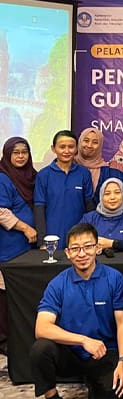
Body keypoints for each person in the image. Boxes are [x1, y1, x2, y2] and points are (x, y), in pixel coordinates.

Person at [29, 223, 123, 399]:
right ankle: (51, 396)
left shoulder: (114, 278)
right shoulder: (58, 283)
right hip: (71, 354)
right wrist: (83, 340)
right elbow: (42, 328)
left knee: (119, 392)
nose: (82, 254)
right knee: (41, 349)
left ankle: (97, 385)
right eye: (75, 249)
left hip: (105, 352)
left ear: (98, 248)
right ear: (68, 253)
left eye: (88, 247)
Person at [0, 136, 37, 355]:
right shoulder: (3, 177)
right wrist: (25, 228)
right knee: (5, 295)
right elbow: (1, 211)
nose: (21, 156)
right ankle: (4, 341)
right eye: (16, 153)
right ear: (7, 155)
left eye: (24, 152)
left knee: (22, 294)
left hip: (28, 249)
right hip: (8, 248)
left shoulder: (32, 177)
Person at [34, 130, 94, 249]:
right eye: (62, 147)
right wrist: (42, 241)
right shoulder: (43, 175)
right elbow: (39, 208)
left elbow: (90, 207)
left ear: (76, 149)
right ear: (53, 149)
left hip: (79, 235)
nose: (66, 151)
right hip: (52, 236)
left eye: (71, 147)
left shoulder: (84, 173)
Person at [80, 177, 123, 251]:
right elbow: (78, 242)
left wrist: (112, 244)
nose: (112, 197)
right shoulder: (89, 218)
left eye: (117, 192)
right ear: (101, 196)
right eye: (107, 194)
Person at [75, 127, 123, 206]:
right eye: (86, 141)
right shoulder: (69, 167)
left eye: (95, 142)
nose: (89, 145)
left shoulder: (108, 173)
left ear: (100, 145)